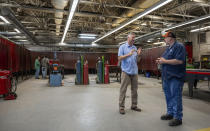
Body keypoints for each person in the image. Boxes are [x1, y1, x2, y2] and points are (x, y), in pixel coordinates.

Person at [156, 31, 186, 126]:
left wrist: (165, 61)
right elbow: (165, 60)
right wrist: (160, 61)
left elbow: (179, 61)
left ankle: (178, 117)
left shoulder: (179, 46)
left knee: (175, 97)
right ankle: (170, 113)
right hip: (167, 77)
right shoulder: (168, 48)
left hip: (175, 77)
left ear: (171, 38)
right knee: (168, 96)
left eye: (165, 37)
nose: (164, 39)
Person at [118, 32, 142, 115]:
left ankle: (134, 105)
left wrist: (138, 55)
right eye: (132, 38)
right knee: (123, 90)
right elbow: (120, 58)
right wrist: (129, 54)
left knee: (134, 90)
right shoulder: (122, 47)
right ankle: (121, 107)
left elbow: (137, 61)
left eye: (134, 38)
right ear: (128, 38)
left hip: (134, 72)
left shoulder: (134, 47)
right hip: (126, 72)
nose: (134, 39)